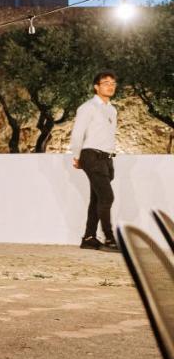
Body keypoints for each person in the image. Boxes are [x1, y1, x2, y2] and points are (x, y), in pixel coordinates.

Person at [69, 71, 119, 250]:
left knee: (97, 199)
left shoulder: (112, 110)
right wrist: (76, 155)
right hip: (91, 155)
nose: (110, 86)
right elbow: (77, 133)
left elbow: (108, 137)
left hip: (106, 158)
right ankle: (109, 238)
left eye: (113, 83)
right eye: (106, 83)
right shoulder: (87, 107)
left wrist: (111, 158)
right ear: (96, 87)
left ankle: (89, 238)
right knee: (107, 197)